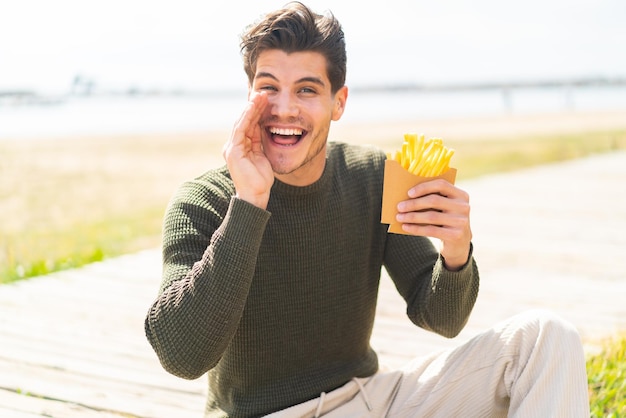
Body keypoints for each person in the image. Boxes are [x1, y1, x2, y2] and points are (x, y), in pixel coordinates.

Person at [144, 2, 590, 417]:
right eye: (268, 88)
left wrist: (456, 252)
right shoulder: (202, 200)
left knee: (546, 337)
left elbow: (440, 317)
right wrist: (250, 201)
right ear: (248, 96)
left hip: (369, 400)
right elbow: (181, 356)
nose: (284, 108)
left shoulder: (372, 174)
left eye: (307, 90)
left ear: (338, 102)